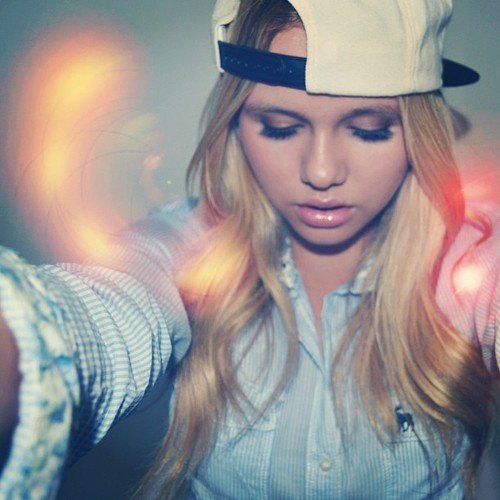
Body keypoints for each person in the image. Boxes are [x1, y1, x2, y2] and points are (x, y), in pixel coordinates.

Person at [0, 0, 498, 498]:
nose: (321, 171)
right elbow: (110, 303)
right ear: (236, 125)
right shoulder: (190, 248)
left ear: (418, 134)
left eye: (368, 129)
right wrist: (25, 345)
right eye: (280, 127)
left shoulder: (467, 258)